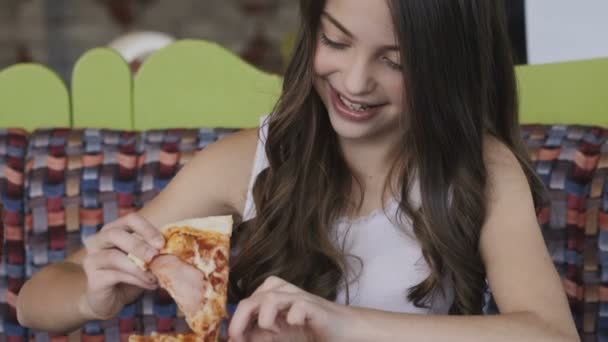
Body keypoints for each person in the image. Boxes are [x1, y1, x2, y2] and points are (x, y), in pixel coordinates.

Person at [17, 0, 579, 341]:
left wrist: (341, 324)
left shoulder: (476, 169)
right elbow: (37, 298)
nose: (355, 82)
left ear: (446, 68)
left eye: (395, 61)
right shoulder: (246, 162)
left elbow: (548, 334)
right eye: (336, 42)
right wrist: (91, 296)